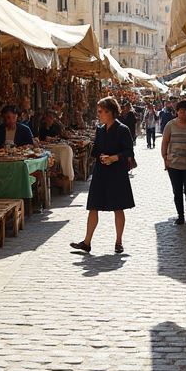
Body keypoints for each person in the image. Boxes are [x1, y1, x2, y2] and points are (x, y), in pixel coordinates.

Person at [70, 96, 134, 254]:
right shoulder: (100, 130)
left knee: (118, 207)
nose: (98, 114)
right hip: (101, 172)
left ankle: (119, 242)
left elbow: (128, 152)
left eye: (100, 112)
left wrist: (113, 158)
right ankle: (86, 242)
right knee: (93, 206)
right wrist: (98, 155)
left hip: (117, 173)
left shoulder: (122, 129)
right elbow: (97, 150)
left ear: (110, 112)